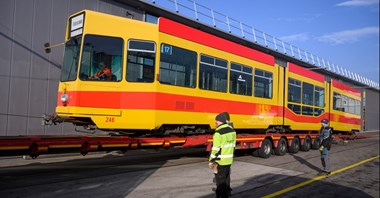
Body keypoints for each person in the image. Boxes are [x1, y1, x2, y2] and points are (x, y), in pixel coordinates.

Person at [209, 112, 236, 198]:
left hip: (221, 161)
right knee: (226, 178)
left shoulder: (218, 133)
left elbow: (215, 149)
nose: (215, 122)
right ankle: (226, 192)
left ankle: (223, 195)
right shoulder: (232, 131)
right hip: (229, 160)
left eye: (216, 121)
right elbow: (233, 146)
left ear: (219, 121)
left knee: (221, 182)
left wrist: (211, 159)